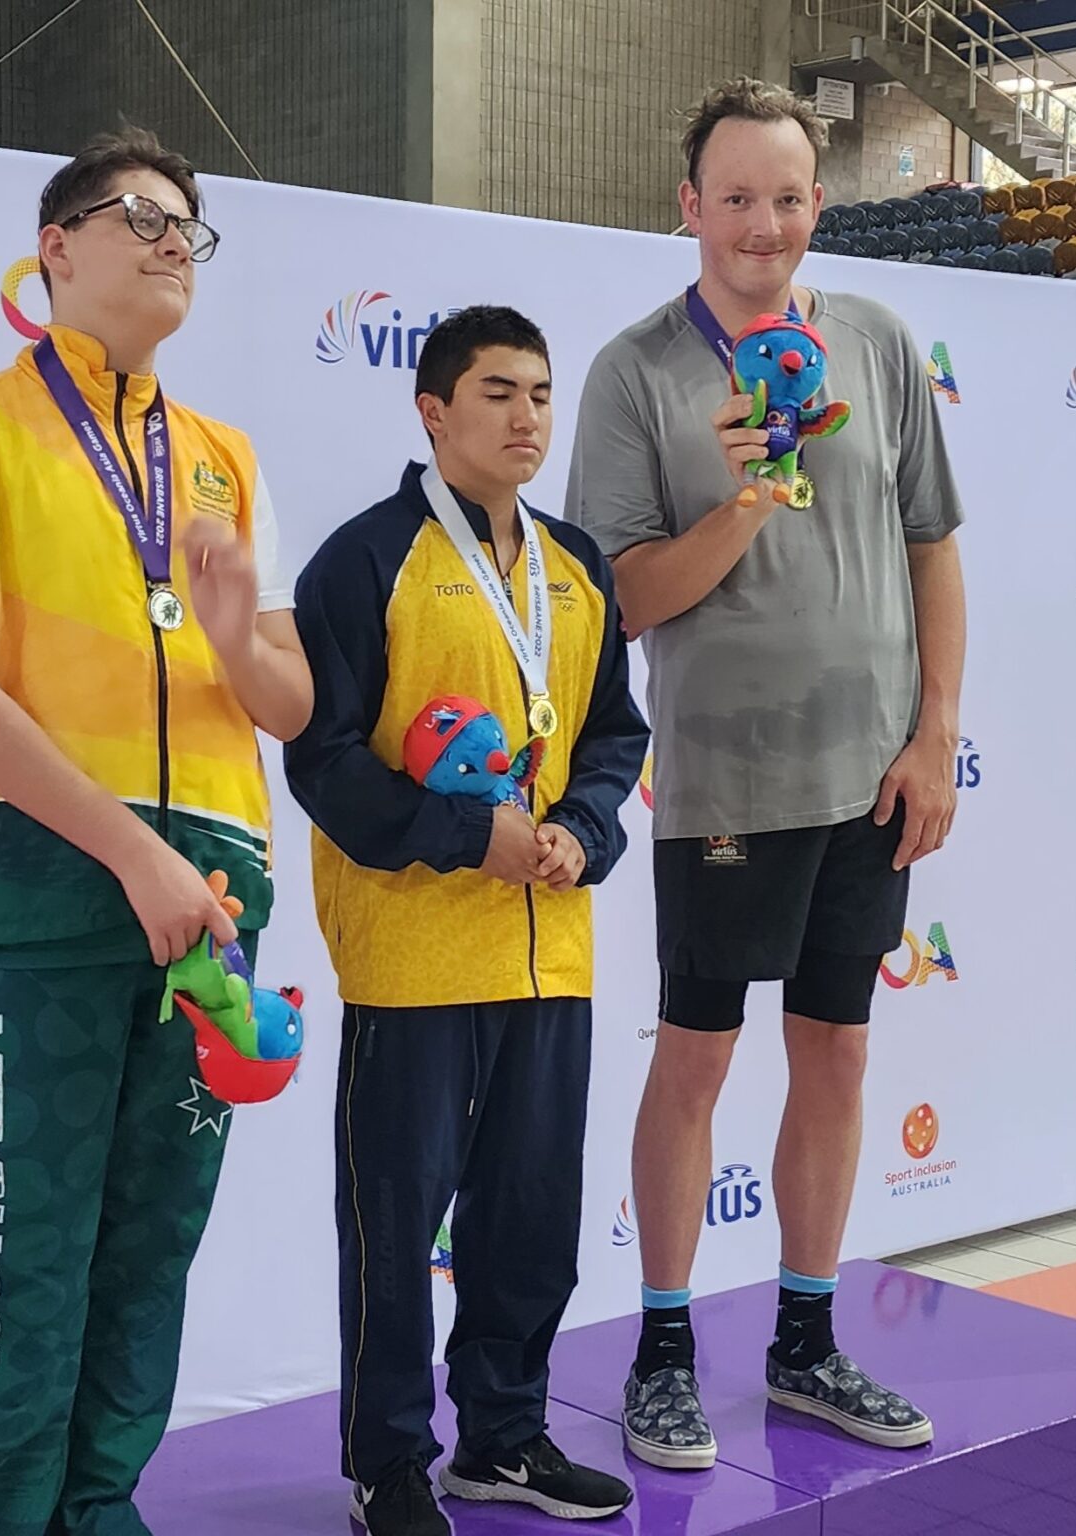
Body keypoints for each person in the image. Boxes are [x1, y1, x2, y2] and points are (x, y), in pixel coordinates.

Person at [0, 127, 312, 1536]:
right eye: (141, 216)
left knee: (149, 1253)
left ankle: (98, 1509)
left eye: (192, 225)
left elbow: (293, 706)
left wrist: (242, 632)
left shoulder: (227, 458)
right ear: (54, 247)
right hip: (52, 893)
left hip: (216, 908)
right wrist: (135, 855)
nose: (174, 240)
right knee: (19, 1250)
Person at [568, 78, 966, 1466]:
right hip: (726, 783)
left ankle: (807, 1342)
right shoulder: (637, 372)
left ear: (817, 204)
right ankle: (664, 1347)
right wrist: (744, 495)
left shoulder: (878, 338)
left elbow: (933, 550)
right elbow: (618, 597)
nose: (765, 223)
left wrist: (933, 736)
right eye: (736, 197)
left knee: (840, 1049)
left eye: (790, 197)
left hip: (871, 776)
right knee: (697, 1057)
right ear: (689, 207)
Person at [285, 306, 647, 1535]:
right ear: (433, 411)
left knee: (534, 1222)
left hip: (551, 955)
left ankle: (505, 1437)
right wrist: (465, 836)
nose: (527, 417)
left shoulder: (578, 567)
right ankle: (387, 1466)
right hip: (412, 958)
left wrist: (583, 832)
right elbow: (325, 762)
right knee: (396, 1234)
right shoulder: (362, 560)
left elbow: (611, 739)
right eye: (498, 393)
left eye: (540, 394)